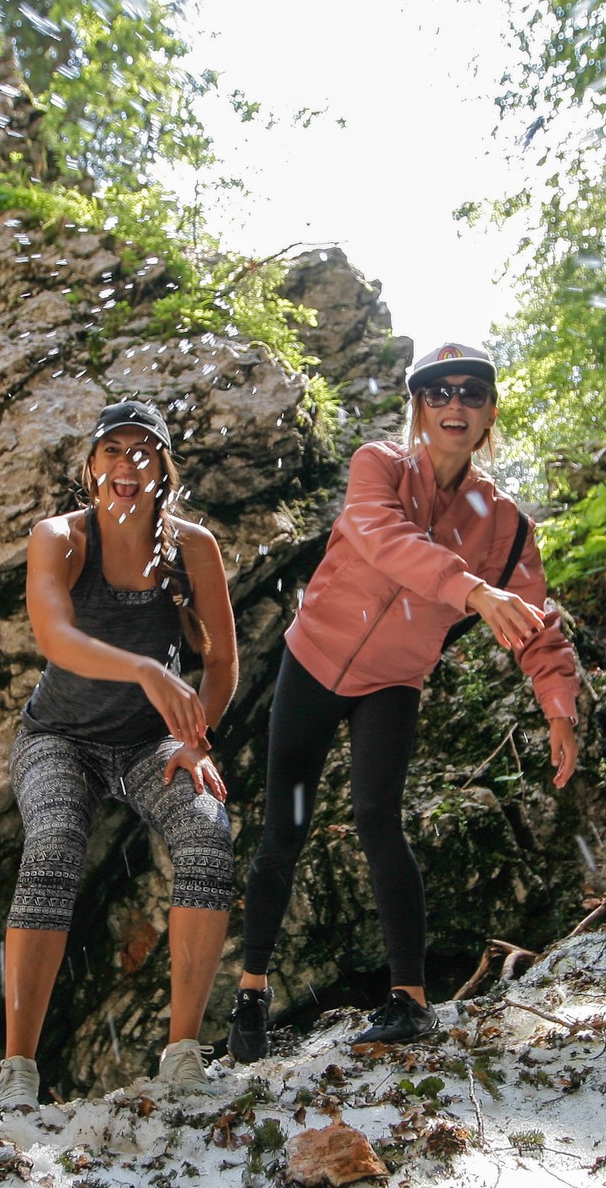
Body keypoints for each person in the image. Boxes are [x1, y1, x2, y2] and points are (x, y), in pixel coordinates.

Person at [227, 342, 581, 1061]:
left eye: (472, 393)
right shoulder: (379, 465)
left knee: (379, 821)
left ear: (490, 414)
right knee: (284, 830)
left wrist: (558, 707)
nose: (455, 405)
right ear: (419, 406)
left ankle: (410, 1001)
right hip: (313, 658)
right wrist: (471, 590)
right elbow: (380, 536)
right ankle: (252, 996)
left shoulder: (506, 525)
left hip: (393, 680)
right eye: (439, 392)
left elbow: (536, 621)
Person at [0, 401, 239, 1109]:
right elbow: (55, 638)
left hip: (149, 743)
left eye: (143, 451)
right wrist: (145, 669)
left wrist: (193, 743)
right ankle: (18, 1069)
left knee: (208, 832)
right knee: (54, 844)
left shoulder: (194, 548)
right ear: (90, 465)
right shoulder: (60, 538)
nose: (127, 464)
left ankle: (183, 1054)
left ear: (163, 469)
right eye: (112, 450)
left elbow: (222, 664)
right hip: (58, 738)